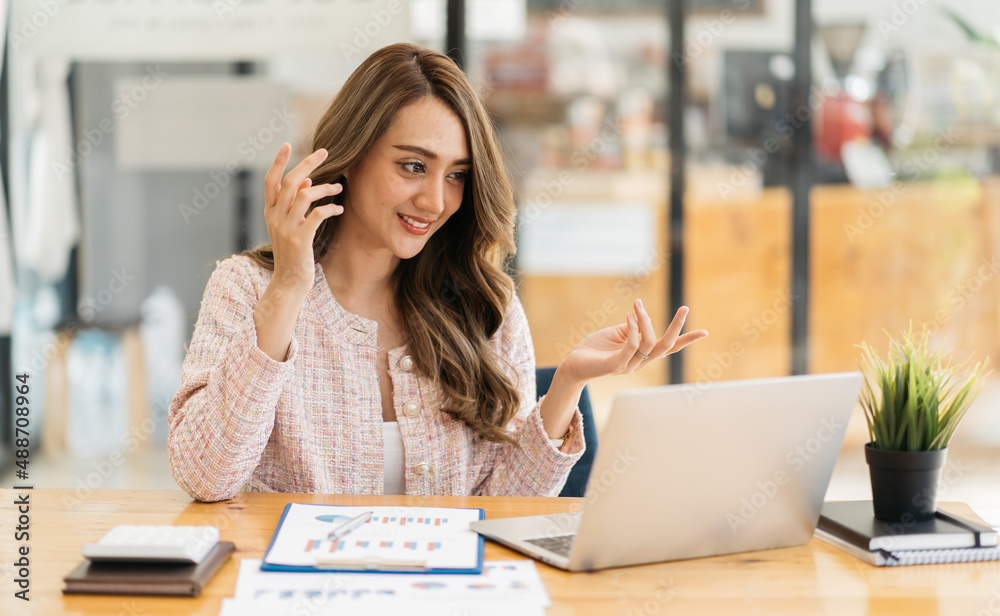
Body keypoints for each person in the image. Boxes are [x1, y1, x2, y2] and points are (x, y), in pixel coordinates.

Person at [168, 43, 708, 502]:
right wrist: (288, 288)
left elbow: (505, 511)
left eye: (456, 175)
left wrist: (567, 382)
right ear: (352, 156)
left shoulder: (483, 303)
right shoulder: (246, 289)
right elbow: (207, 476)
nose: (435, 199)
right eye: (413, 166)